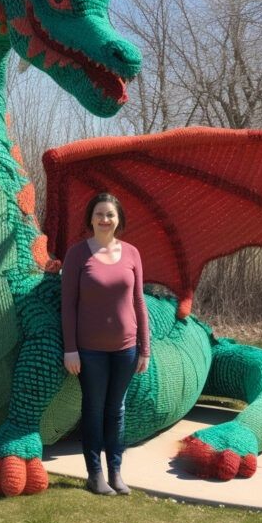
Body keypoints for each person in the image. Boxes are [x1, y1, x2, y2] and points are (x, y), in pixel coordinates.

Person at [61, 192, 150, 495]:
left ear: (118, 219)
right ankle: (94, 474)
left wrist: (145, 348)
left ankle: (115, 471)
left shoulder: (133, 253)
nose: (104, 219)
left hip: (125, 348)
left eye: (110, 214)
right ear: (90, 219)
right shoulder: (77, 255)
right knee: (94, 410)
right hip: (90, 350)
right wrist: (70, 348)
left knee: (117, 410)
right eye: (99, 214)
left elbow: (139, 302)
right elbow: (68, 305)